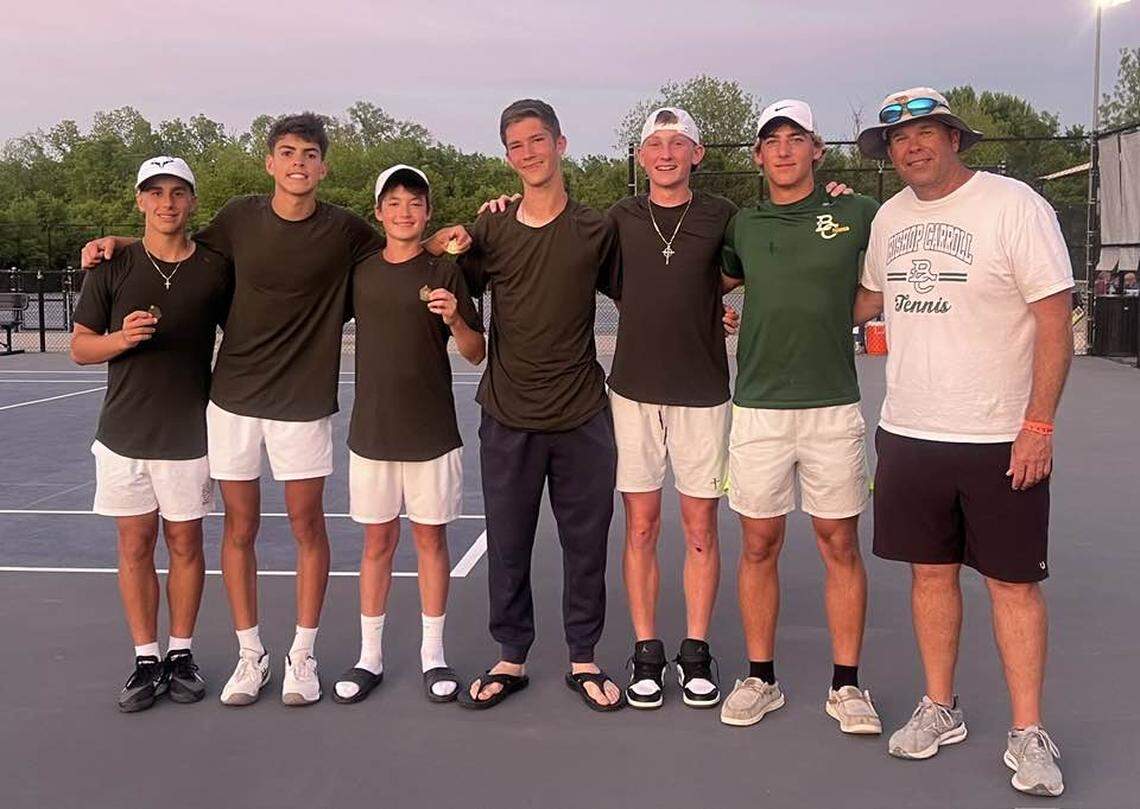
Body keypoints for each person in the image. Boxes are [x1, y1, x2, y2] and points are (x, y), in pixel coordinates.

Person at [81, 113, 386, 706]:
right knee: (239, 529)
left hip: (302, 404)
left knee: (306, 528)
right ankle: (253, 656)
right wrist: (118, 242)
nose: (299, 162)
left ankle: (303, 654)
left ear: (323, 166)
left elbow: (404, 245)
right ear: (270, 163)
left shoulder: (348, 231)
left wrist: (458, 234)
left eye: (310, 154)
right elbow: (174, 245)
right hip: (233, 402)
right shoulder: (237, 219)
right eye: (287, 152)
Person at [854, 86, 1074, 797]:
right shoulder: (888, 218)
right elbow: (865, 300)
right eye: (896, 140)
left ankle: (1028, 731)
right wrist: (761, 304)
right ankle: (940, 706)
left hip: (999, 435)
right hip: (911, 431)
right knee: (929, 575)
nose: (910, 148)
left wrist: (1038, 423)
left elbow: (1053, 318)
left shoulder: (1014, 206)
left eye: (923, 133)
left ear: (954, 137)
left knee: (1013, 584)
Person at [428, 99, 624, 712]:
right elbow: (437, 258)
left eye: (537, 140)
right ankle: (510, 656)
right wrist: (446, 235)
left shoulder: (596, 228)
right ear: (507, 156)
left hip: (583, 415)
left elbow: (647, 290)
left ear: (560, 145)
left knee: (586, 544)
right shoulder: (490, 229)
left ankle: (583, 657)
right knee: (508, 542)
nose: (529, 153)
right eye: (516, 145)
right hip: (508, 415)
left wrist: (712, 314)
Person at [716, 100, 882, 735]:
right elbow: (720, 287)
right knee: (759, 543)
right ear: (757, 157)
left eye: (796, 138)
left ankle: (847, 686)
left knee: (839, 542)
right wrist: (723, 315)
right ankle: (761, 677)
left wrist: (841, 316)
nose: (783, 150)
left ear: (817, 148)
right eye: (771, 141)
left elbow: (878, 283)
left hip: (832, 406)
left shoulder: (857, 211)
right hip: (758, 408)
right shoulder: (744, 225)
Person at [71, 157, 231, 712]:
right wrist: (121, 339)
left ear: (192, 201)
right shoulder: (110, 266)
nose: (167, 202)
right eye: (155, 192)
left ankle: (181, 654)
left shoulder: (215, 267)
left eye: (178, 192)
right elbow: (80, 348)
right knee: (135, 545)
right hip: (123, 434)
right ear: (140, 200)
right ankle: (145, 658)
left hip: (190, 433)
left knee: (186, 544)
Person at [333, 165, 484, 705]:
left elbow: (475, 351)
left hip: (432, 433)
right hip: (371, 433)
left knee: (430, 541)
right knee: (377, 543)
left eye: (415, 203)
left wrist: (454, 321)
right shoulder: (361, 271)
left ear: (427, 213)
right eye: (393, 203)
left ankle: (433, 656)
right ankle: (368, 657)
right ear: (379, 212)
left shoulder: (445, 271)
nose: (404, 212)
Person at [605, 108, 736, 709]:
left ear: (696, 154)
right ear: (640, 157)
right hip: (631, 392)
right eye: (654, 144)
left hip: (704, 392)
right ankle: (647, 652)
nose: (665, 153)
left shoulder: (721, 216)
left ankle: (696, 651)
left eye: (677, 143)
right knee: (641, 526)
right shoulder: (620, 219)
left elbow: (737, 274)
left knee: (700, 528)